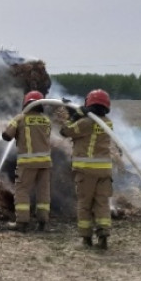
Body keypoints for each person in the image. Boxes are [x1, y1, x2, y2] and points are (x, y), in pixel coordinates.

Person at [59, 89, 115, 249]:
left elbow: (65, 132)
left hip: (87, 171)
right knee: (102, 203)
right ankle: (103, 234)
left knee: (84, 204)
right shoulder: (108, 122)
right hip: (104, 171)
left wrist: (74, 116)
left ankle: (86, 239)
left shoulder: (85, 123)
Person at [1, 90, 52, 232]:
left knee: (22, 190)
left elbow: (6, 136)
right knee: (43, 192)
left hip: (28, 162)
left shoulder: (20, 118)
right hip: (45, 163)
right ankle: (42, 222)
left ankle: (22, 222)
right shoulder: (46, 120)